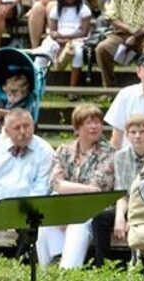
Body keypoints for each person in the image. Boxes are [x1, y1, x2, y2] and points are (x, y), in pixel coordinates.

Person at [37, 104, 115, 268]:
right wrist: (69, 201)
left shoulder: (108, 152)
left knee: (77, 224)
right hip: (64, 206)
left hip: (93, 209)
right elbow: (55, 183)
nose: (95, 126)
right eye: (89, 122)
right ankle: (47, 269)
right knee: (44, 222)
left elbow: (97, 189)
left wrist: (70, 205)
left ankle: (68, 271)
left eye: (98, 122)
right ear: (77, 127)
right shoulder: (64, 150)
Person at [91, 114, 144, 267]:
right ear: (127, 135)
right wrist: (120, 217)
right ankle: (103, 266)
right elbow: (121, 192)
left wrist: (133, 218)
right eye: (133, 132)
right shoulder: (120, 157)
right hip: (126, 204)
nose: (138, 136)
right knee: (101, 218)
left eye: (142, 131)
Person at [0, 109, 53, 210]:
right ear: (7, 132)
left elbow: (42, 189)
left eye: (26, 126)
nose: (22, 131)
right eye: (17, 128)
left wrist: (18, 214)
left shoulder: (45, 151)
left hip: (31, 213)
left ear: (33, 126)